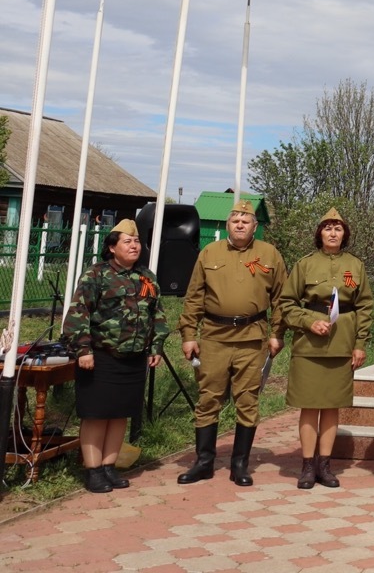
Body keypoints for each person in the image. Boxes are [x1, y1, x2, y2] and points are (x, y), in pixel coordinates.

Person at [178, 199, 285, 487]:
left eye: (245, 221)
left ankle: (239, 465)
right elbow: (194, 297)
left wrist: (277, 333)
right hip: (214, 337)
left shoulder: (269, 254)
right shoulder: (209, 252)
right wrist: (188, 335)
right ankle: (203, 462)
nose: (240, 224)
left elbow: (281, 299)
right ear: (228, 225)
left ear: (254, 226)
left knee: (247, 401)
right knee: (208, 399)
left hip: (252, 338)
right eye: (235, 220)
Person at [62, 219, 165, 493]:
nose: (134, 246)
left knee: (120, 414)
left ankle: (109, 467)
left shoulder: (147, 276)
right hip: (100, 356)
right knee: (96, 415)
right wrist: (83, 349)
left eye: (137, 241)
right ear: (111, 247)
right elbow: (78, 313)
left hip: (133, 358)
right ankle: (93, 470)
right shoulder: (96, 274)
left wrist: (156, 347)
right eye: (127, 242)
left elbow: (157, 313)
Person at [277, 208, 372, 490]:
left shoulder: (355, 265)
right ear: (319, 233)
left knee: (331, 405)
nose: (333, 233)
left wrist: (360, 344)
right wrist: (309, 321)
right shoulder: (305, 264)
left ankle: (325, 465)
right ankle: (308, 466)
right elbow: (286, 303)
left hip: (342, 343)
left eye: (338, 228)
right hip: (309, 345)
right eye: (327, 228)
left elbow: (365, 306)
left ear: (345, 234)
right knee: (309, 404)